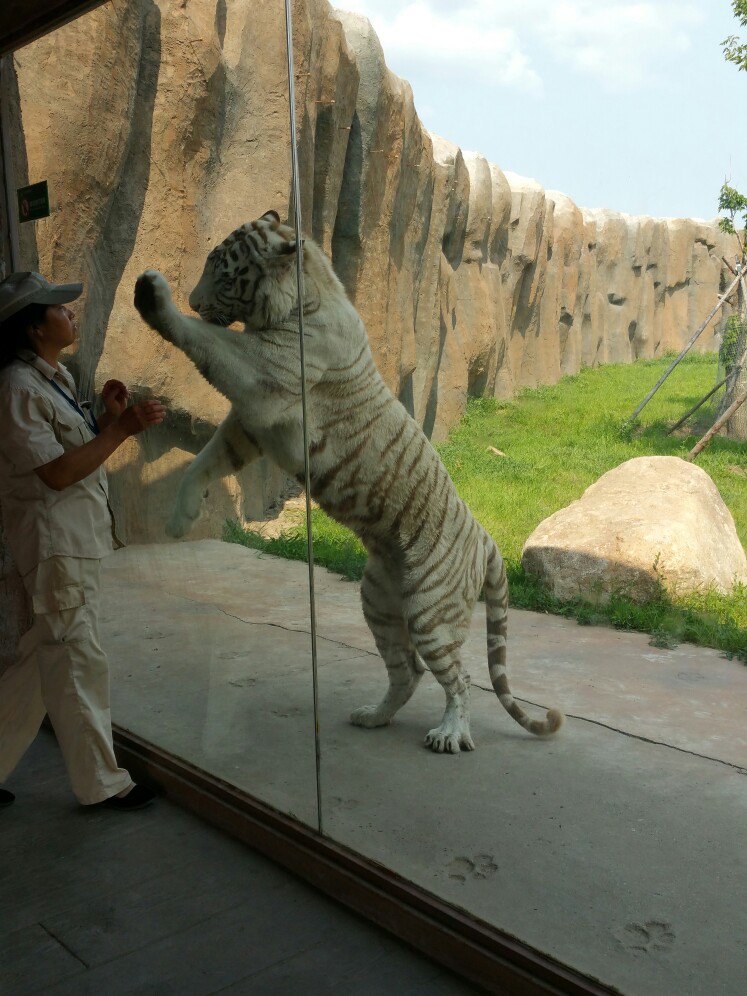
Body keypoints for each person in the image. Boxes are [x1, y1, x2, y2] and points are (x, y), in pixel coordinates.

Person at [0, 271, 166, 811]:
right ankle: (102, 785)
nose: (69, 312)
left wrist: (103, 419)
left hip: (74, 545)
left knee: (39, 661)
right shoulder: (17, 389)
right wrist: (120, 432)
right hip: (56, 549)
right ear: (31, 328)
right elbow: (53, 474)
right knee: (76, 661)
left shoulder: (51, 379)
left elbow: (67, 453)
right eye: (56, 308)